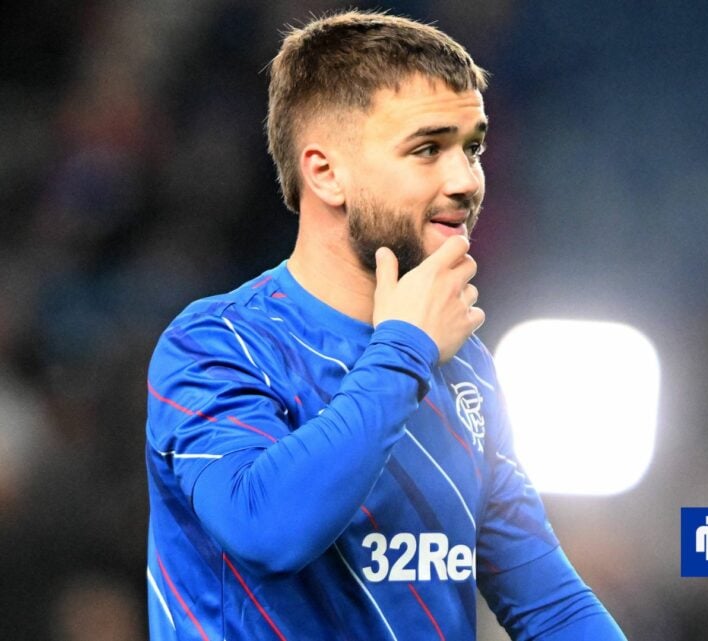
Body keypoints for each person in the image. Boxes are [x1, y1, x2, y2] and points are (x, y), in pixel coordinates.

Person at [144, 10, 627, 640]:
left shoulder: (464, 364)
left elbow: (550, 605)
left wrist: (416, 351)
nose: (466, 181)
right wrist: (406, 351)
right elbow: (266, 529)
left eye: (472, 147)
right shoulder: (217, 344)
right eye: (428, 148)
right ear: (325, 172)